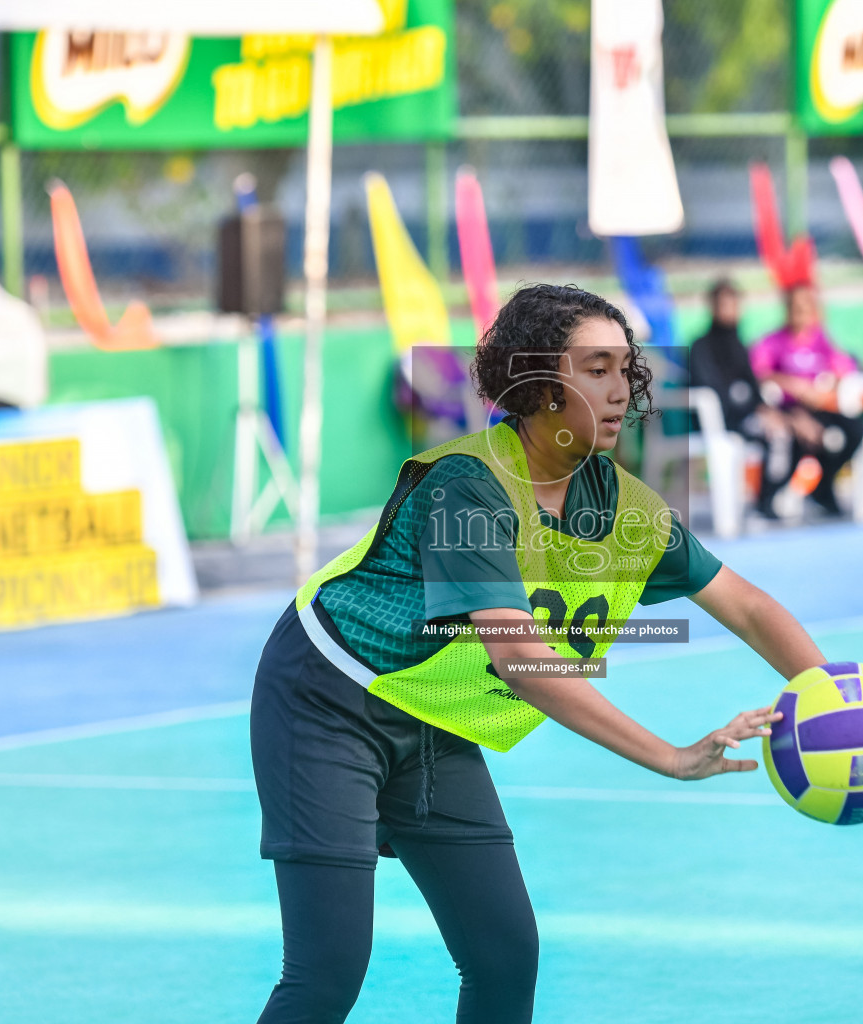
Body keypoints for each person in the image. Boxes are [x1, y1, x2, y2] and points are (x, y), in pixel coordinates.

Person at [250, 283, 830, 1023]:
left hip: (433, 716)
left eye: (626, 369)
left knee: (503, 957)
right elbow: (521, 656)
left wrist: (831, 691)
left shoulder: (624, 509)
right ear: (537, 384)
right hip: (326, 703)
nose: (620, 389)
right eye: (595, 369)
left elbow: (745, 605)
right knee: (327, 970)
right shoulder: (470, 486)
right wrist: (670, 756)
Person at [688, 278, 818, 518]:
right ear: (712, 307)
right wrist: (755, 411)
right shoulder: (701, 346)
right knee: (777, 435)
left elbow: (752, 388)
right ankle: (765, 503)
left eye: (733, 304)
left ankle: (771, 496)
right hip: (721, 421)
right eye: (723, 304)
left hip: (748, 414)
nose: (729, 310)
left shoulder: (739, 344)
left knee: (793, 430)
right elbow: (715, 392)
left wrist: (771, 412)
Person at [747, 285, 863, 516]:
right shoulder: (773, 341)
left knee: (853, 429)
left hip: (817, 409)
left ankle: (823, 488)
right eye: (796, 307)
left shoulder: (821, 340)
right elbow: (758, 374)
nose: (800, 313)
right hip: (786, 411)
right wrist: (793, 385)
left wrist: (828, 386)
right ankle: (769, 498)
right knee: (795, 439)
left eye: (806, 307)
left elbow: (843, 368)